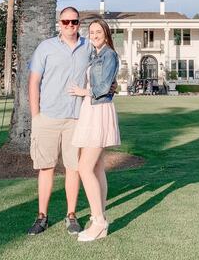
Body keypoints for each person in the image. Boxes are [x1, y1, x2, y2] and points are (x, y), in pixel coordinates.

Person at [27, 6, 92, 236]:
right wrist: (36, 116)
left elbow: (102, 73)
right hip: (48, 118)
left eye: (74, 22)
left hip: (76, 119)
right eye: (65, 22)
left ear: (79, 23)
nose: (70, 26)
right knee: (46, 168)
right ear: (59, 23)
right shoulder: (46, 47)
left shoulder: (89, 47)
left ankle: (71, 215)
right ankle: (42, 217)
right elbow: (34, 81)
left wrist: (88, 92)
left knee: (73, 169)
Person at [69, 19, 121, 242]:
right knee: (97, 166)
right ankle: (98, 218)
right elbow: (106, 85)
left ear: (106, 33)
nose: (95, 34)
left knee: (85, 166)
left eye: (99, 31)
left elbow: (101, 89)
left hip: (98, 110)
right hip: (92, 110)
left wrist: (82, 91)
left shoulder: (108, 54)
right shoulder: (96, 54)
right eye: (92, 32)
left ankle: (99, 222)